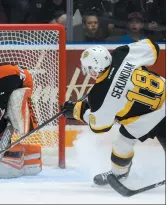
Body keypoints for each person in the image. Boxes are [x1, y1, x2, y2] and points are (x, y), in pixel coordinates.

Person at [62, 39, 165, 186]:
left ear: (93, 69)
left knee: (122, 142)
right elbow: (153, 47)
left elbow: (100, 126)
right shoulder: (121, 54)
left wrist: (78, 111)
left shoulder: (99, 95)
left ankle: (119, 175)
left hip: (146, 120)